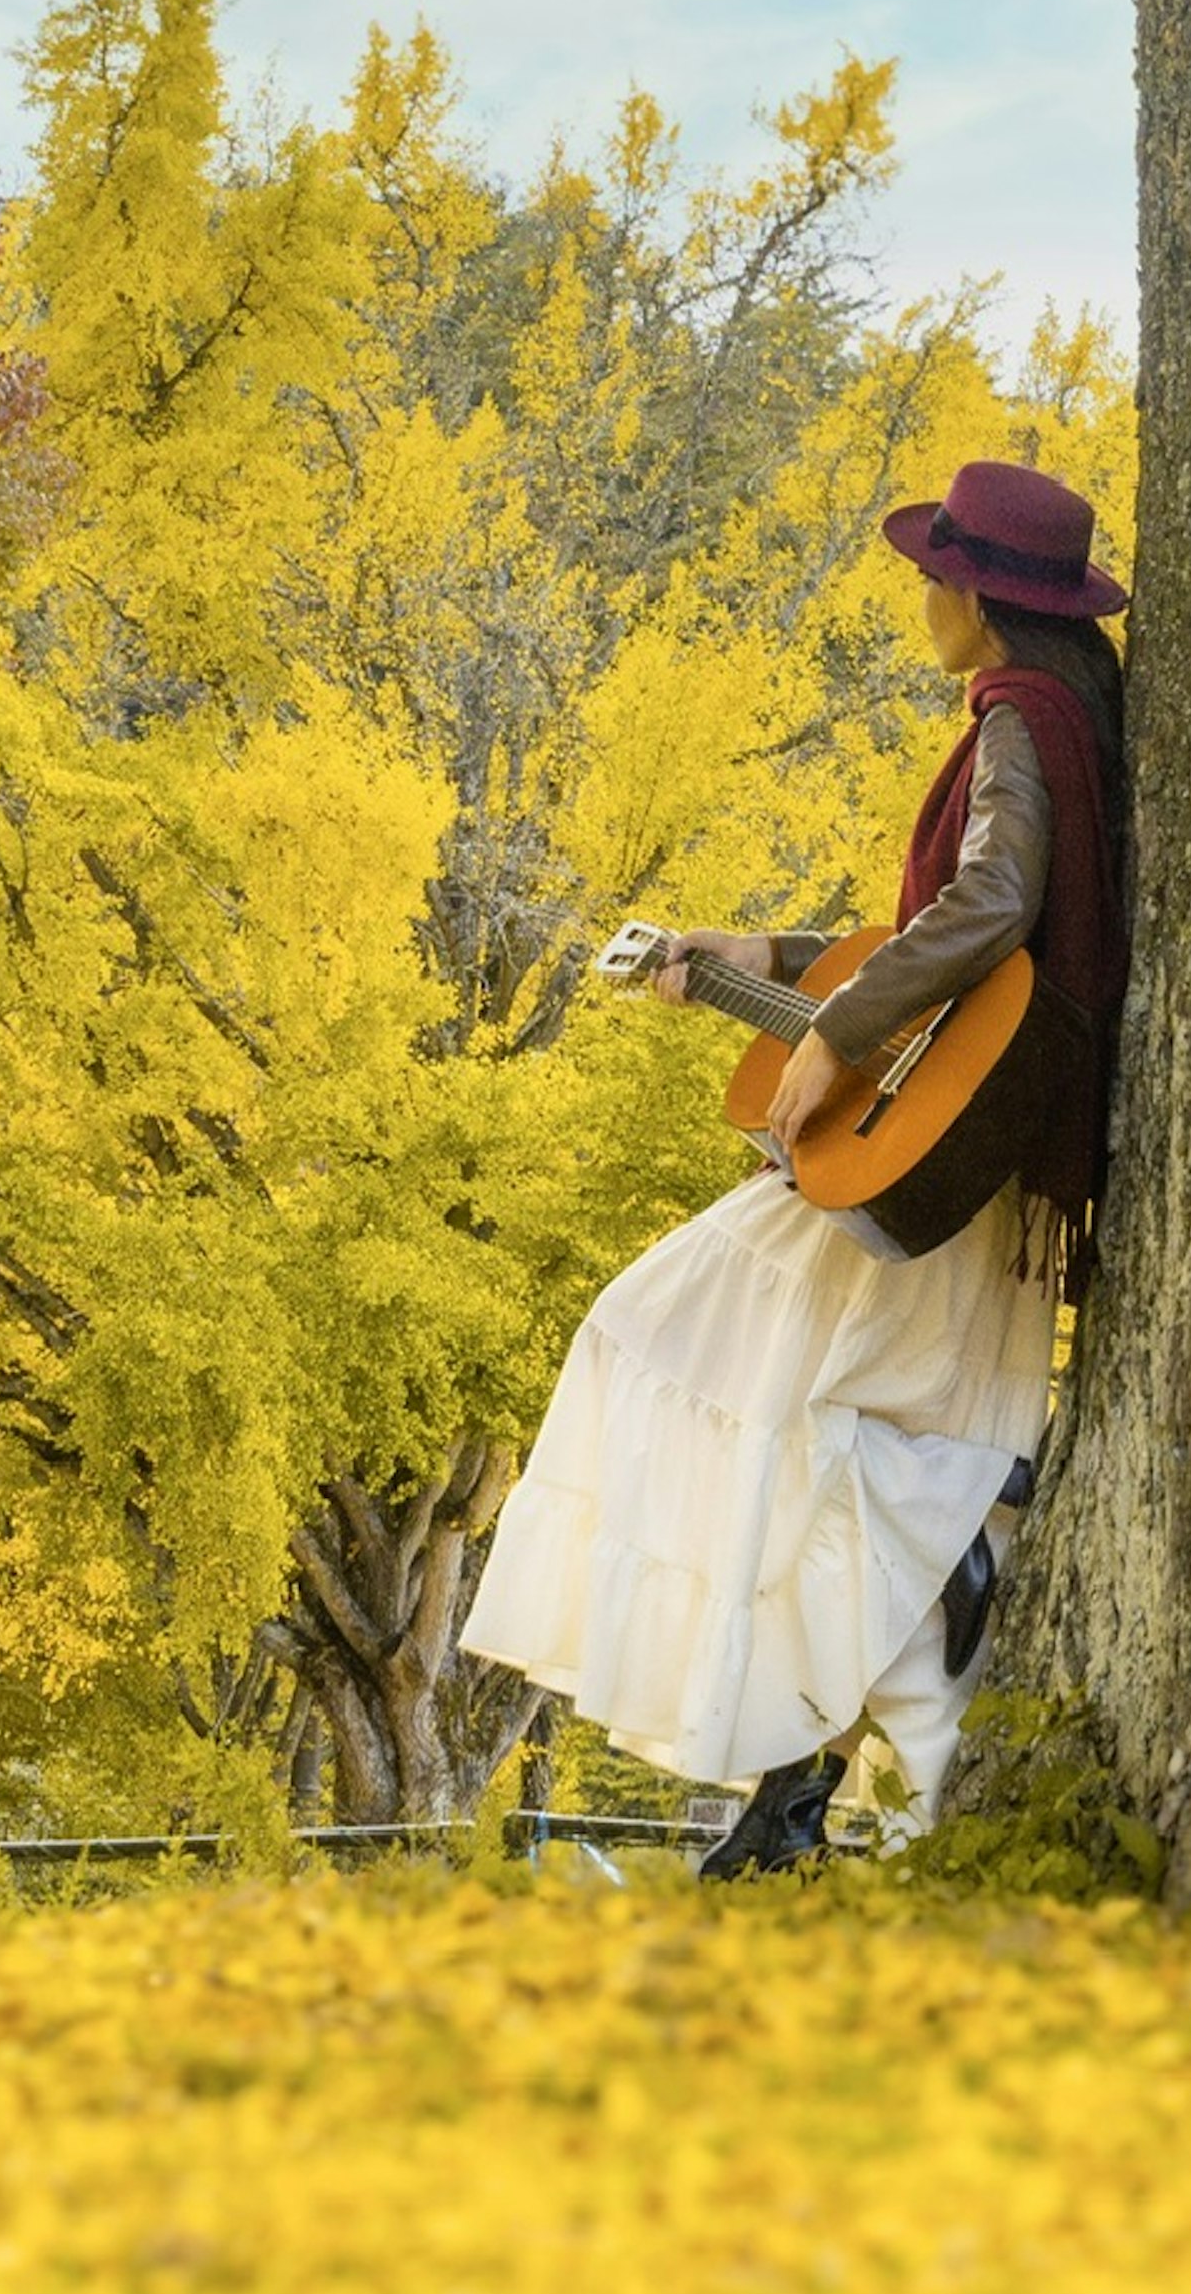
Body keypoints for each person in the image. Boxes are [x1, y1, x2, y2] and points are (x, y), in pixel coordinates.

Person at [464, 458, 1133, 1873]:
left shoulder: (1019, 717)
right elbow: (947, 919)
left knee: (665, 1340)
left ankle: (956, 1556)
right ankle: (801, 1789)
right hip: (963, 1157)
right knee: (829, 1442)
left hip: (936, 1165)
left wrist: (836, 1030)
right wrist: (762, 957)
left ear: (978, 597)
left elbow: (995, 901)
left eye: (934, 578)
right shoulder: (1059, 718)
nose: (922, 599)